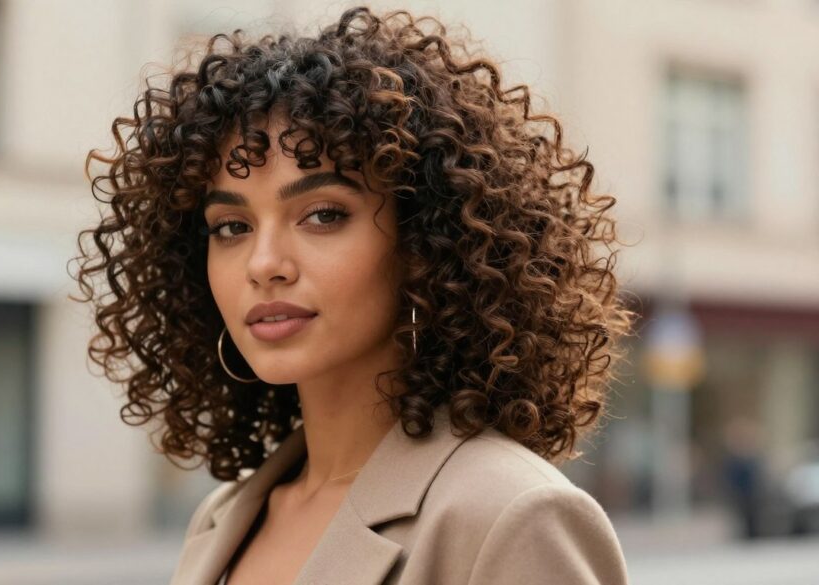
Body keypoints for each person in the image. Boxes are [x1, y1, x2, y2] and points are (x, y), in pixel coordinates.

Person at [72, 6, 637, 585]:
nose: (264, 264)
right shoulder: (221, 520)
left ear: (424, 242)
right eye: (231, 227)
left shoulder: (510, 516)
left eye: (321, 215)